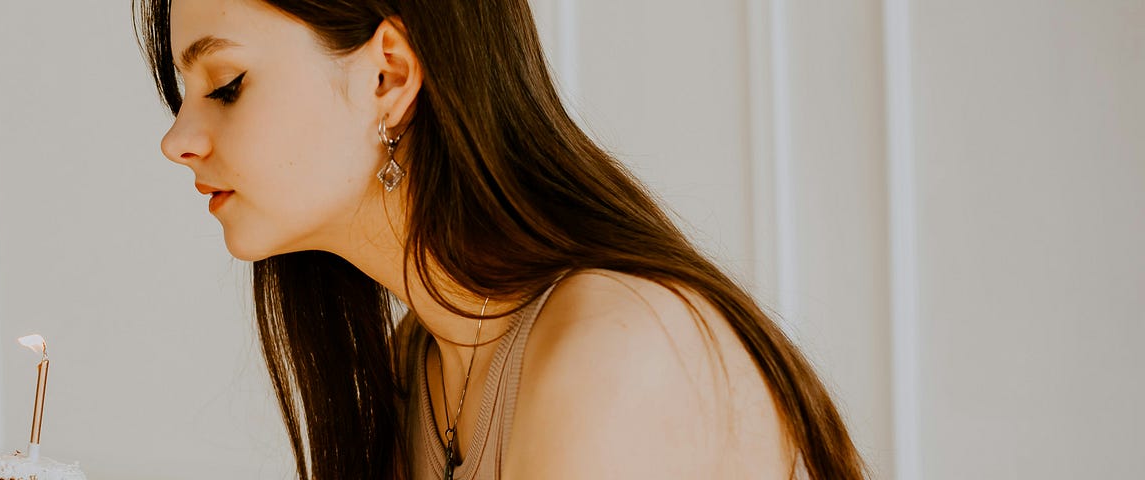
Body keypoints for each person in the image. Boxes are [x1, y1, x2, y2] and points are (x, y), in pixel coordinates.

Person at [135, 0, 866, 478]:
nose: (177, 141)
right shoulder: (418, 368)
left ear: (388, 74)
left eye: (225, 83)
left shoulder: (615, 347)